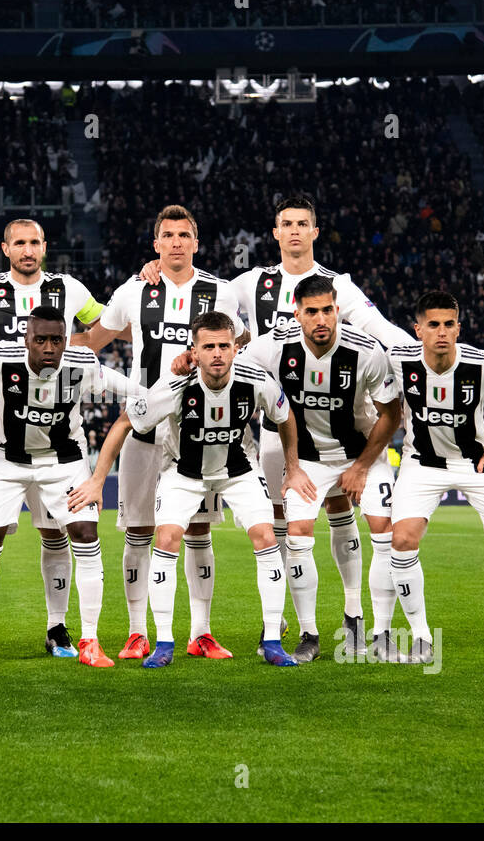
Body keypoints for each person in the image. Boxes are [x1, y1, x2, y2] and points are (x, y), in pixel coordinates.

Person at [174, 194, 415, 655]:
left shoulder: (338, 286)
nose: (295, 231)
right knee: (283, 522)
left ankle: (354, 616)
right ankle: (285, 616)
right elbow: (203, 301)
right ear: (276, 232)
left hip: (340, 423)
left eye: (303, 223)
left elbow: (381, 329)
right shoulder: (250, 282)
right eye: (287, 224)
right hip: (277, 426)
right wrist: (160, 269)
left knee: (341, 512)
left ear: (315, 231)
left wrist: (424, 355)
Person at [81, 204, 246, 660]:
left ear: (196, 242)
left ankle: (201, 632)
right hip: (145, 425)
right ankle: (137, 632)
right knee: (138, 531)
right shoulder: (134, 289)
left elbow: (241, 339)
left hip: (201, 431)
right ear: (155, 245)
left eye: (184, 235)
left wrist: (200, 357)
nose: (176, 242)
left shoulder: (220, 292)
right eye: (167, 235)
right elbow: (96, 338)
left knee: (197, 532)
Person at [113, 311, 315, 668]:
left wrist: (294, 468)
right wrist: (98, 479)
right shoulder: (176, 383)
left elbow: (285, 417)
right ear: (195, 350)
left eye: (225, 345)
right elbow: (129, 419)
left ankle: (272, 641)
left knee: (267, 537)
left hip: (237, 470)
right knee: (167, 538)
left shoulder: (255, 379)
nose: (218, 353)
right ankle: (164, 643)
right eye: (209, 347)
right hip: (183, 472)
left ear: (237, 348)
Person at [0, 306, 144, 670]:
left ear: (66, 340)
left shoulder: (81, 364)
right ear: (27, 341)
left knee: (86, 533)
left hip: (64, 461)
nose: (50, 347)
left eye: (57, 339)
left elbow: (125, 386)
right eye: (41, 340)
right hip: (7, 460)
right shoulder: (1, 359)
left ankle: (90, 639)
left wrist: (157, 394)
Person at [0, 218, 107, 658]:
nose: (28, 250)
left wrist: (73, 356)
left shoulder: (70, 288)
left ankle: (57, 628)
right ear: (5, 248)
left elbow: (103, 327)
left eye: (34, 242)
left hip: (56, 424)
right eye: (19, 243)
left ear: (44, 246)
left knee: (56, 533)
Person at [235, 274, 404, 662]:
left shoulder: (366, 351)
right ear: (297, 314)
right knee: (297, 535)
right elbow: (229, 364)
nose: (321, 319)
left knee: (384, 529)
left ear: (337, 309)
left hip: (363, 454)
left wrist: (361, 467)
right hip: (308, 460)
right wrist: (292, 468)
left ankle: (370, 627)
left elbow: (390, 415)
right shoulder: (275, 346)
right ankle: (308, 633)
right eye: (312, 312)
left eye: (328, 310)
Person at [386, 291, 484, 666]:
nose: (441, 332)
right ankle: (421, 640)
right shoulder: (397, 360)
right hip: (421, 464)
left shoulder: (483, 364)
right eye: (433, 325)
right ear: (418, 329)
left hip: (476, 462)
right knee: (402, 539)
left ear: (459, 328)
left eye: (449, 324)